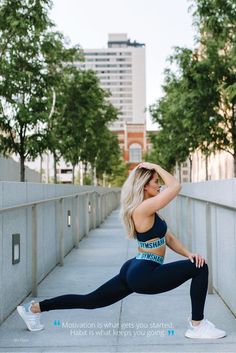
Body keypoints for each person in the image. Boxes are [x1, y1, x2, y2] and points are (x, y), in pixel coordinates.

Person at [17, 162, 226, 339]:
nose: (160, 185)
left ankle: (34, 309)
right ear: (144, 186)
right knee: (201, 268)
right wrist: (155, 166)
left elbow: (167, 236)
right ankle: (197, 326)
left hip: (135, 267)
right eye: (155, 181)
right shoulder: (143, 209)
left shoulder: (148, 207)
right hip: (145, 273)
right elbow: (176, 186)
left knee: (90, 300)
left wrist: (188, 254)